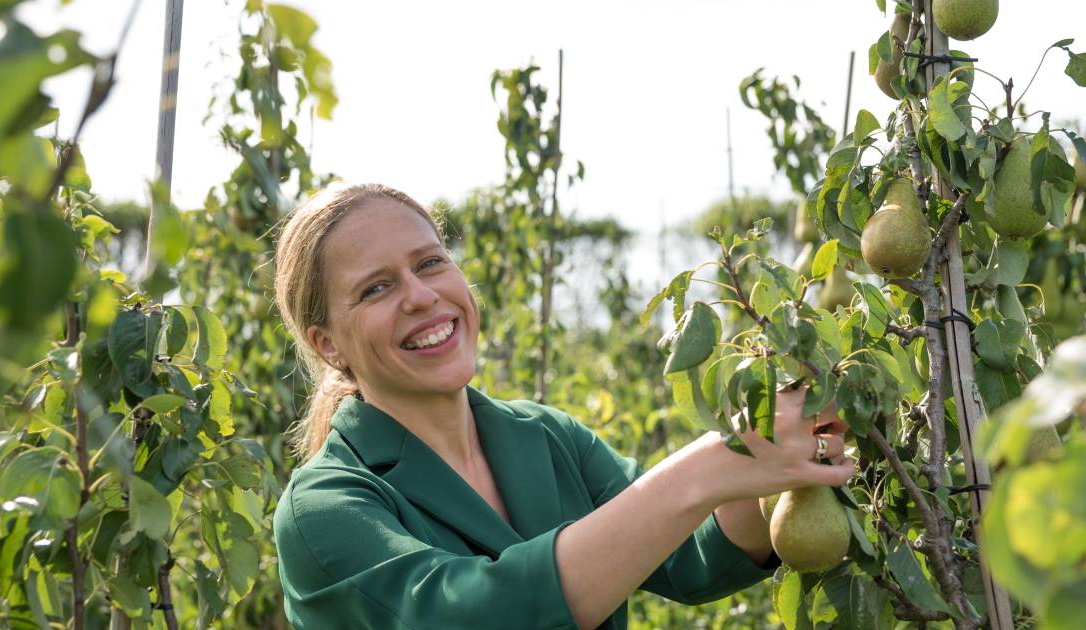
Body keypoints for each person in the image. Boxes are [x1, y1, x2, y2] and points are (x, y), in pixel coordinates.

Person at [271, 182, 854, 629]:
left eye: (429, 262)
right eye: (377, 287)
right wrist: (708, 467)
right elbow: (472, 613)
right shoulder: (324, 509)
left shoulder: (543, 437)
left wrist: (781, 450)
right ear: (327, 343)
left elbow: (690, 553)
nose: (421, 296)